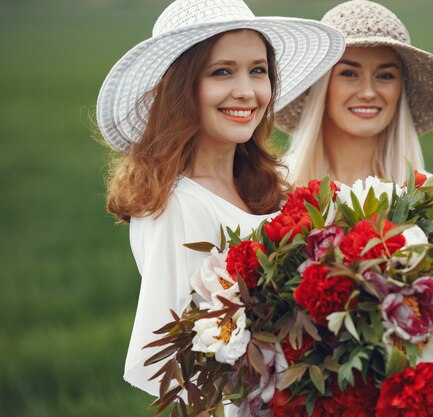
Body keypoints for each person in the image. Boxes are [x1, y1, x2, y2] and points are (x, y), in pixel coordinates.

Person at [95, 0, 344, 399]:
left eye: (258, 71)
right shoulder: (179, 207)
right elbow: (169, 368)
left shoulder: (262, 190)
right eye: (222, 71)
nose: (246, 91)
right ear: (181, 87)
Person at [276, 0, 433, 187]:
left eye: (385, 76)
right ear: (321, 86)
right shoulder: (272, 191)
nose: (368, 92)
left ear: (400, 89)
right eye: (349, 74)